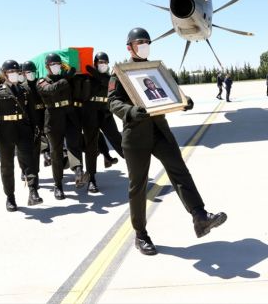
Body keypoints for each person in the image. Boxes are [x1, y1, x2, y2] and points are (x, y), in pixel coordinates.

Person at [109, 27, 227, 256]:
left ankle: (200, 217)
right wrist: (131, 111)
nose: (144, 45)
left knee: (180, 171)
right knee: (138, 186)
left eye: (147, 41)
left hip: (160, 131)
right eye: (139, 42)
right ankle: (140, 234)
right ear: (129, 47)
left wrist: (185, 100)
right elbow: (113, 102)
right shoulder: (120, 73)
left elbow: (171, 93)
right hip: (135, 136)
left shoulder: (155, 70)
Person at [0, 60, 42, 211]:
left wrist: (36, 129)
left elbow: (32, 113)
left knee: (29, 161)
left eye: (16, 72)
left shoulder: (24, 91)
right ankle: (10, 197)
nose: (14, 74)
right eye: (11, 72)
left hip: (23, 130)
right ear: (5, 74)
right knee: (7, 166)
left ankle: (33, 191)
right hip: (4, 132)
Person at [37, 53, 88, 200]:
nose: (56, 66)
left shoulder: (66, 77)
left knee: (74, 145)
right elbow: (50, 90)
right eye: (53, 64)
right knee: (56, 153)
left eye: (58, 64)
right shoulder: (42, 81)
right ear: (47, 66)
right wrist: (66, 78)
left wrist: (72, 73)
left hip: (70, 116)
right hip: (53, 119)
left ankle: (78, 172)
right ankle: (58, 185)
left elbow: (78, 84)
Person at [82, 51, 124, 193]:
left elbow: (110, 85)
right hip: (91, 114)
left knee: (118, 140)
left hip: (106, 113)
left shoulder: (110, 78)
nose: (103, 65)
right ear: (95, 63)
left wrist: (98, 75)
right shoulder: (88, 78)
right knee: (91, 147)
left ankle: (135, 167)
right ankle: (92, 179)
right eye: (100, 62)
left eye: (105, 62)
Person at [20, 61, 45, 185]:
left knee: (37, 150)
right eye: (28, 72)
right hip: (28, 124)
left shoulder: (40, 84)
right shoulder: (22, 88)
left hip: (41, 121)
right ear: (24, 73)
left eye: (33, 71)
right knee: (28, 151)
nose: (31, 74)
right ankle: (25, 170)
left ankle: (35, 173)